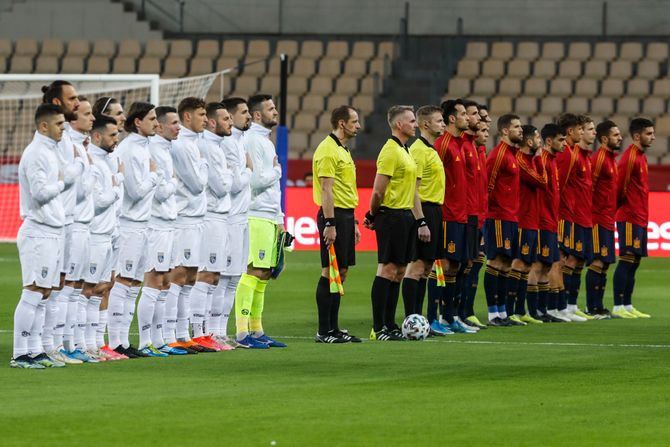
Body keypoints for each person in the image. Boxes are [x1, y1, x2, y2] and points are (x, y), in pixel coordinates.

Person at [364, 105, 427, 341]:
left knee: (399, 272)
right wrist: (373, 214)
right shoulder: (390, 151)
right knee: (387, 269)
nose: (415, 124)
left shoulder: (406, 150)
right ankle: (378, 327)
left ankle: (390, 325)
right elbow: (378, 190)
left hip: (405, 216)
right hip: (391, 216)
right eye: (411, 121)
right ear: (399, 124)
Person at [12, 104, 68, 368]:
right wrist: (62, 181)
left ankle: (35, 351)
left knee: (45, 294)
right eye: (59, 124)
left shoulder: (50, 151)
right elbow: (40, 193)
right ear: (43, 126)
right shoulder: (36, 154)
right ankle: (20, 353)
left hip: (52, 231)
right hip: (39, 232)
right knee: (33, 293)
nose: (63, 128)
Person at [106, 102, 159, 358]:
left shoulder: (143, 147)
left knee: (135, 283)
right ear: (138, 122)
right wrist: (154, 177)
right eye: (151, 118)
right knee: (123, 282)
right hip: (129, 224)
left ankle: (125, 342)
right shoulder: (128, 149)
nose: (156, 123)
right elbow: (136, 191)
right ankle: (116, 342)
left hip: (143, 224)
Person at [234, 94, 287, 348]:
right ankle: (242, 332)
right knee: (253, 271)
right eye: (270, 108)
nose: (275, 112)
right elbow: (253, 181)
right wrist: (277, 171)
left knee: (264, 274)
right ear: (257, 115)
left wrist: (279, 219)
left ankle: (257, 330)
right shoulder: (253, 141)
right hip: (254, 215)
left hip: (267, 216)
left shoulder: (264, 141)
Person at [40, 81, 84, 365]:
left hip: (69, 222)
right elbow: (63, 180)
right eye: (72, 99)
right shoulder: (53, 143)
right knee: (45, 288)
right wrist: (79, 167)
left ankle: (52, 346)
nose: (77, 104)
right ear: (57, 103)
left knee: (59, 286)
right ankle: (39, 346)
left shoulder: (67, 137)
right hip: (54, 224)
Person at [166, 97, 215, 353]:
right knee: (178, 276)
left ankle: (184, 335)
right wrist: (205, 165)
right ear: (187, 117)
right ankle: (170, 335)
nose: (206, 119)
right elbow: (197, 185)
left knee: (191, 278)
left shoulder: (195, 144)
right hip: (184, 220)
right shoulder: (182, 146)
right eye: (201, 114)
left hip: (196, 220)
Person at [312, 105, 363, 343]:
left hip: (345, 215)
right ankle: (324, 331)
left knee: (341, 272)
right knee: (330, 271)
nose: (358, 126)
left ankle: (333, 328)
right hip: (333, 216)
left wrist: (351, 221)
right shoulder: (327, 150)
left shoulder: (342, 150)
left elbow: (344, 189)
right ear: (342, 123)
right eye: (354, 121)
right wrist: (330, 223)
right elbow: (326, 189)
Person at [143, 106, 188, 356]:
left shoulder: (166, 150)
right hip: (157, 223)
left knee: (164, 282)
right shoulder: (155, 151)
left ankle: (159, 340)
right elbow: (161, 191)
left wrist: (171, 181)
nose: (177, 127)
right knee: (154, 280)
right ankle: (145, 341)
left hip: (168, 223)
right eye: (173, 123)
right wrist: (173, 181)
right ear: (159, 126)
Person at [190, 102, 234, 351]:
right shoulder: (207, 145)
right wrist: (230, 174)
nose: (230, 123)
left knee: (214, 276)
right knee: (206, 274)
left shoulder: (217, 146)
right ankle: (198, 332)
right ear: (213, 122)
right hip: (209, 217)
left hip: (220, 217)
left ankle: (206, 332)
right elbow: (221, 186)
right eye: (226, 118)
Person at [430, 99, 475, 334]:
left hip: (462, 214)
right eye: (463, 114)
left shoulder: (459, 144)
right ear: (452, 119)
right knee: (444, 264)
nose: (467, 118)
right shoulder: (443, 145)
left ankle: (450, 316)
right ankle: (434, 317)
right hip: (447, 214)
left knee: (457, 265)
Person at [85, 114, 127, 360]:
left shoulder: (108, 160)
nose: (117, 139)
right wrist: (117, 182)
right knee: (90, 290)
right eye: (112, 135)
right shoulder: (94, 162)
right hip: (95, 233)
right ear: (97, 136)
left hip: (110, 231)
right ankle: (85, 344)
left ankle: (98, 344)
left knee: (104, 287)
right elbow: (99, 201)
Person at [63, 96, 99, 362]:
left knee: (77, 289)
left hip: (85, 226)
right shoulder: (69, 148)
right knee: (66, 287)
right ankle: (60, 344)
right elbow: (79, 190)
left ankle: (73, 344)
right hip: (72, 225)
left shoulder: (84, 147)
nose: (92, 118)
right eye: (87, 114)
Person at [401, 105, 445, 327]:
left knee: (426, 269)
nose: (443, 124)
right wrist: (421, 221)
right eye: (439, 121)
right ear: (425, 124)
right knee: (417, 267)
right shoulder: (418, 150)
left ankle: (419, 320)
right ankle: (411, 319)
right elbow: (413, 189)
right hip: (423, 211)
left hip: (434, 211)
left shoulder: (431, 149)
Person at [218, 97, 253, 347]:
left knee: (233, 279)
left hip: (241, 218)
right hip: (229, 219)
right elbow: (235, 184)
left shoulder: (239, 142)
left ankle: (220, 332)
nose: (247, 116)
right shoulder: (228, 144)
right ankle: (214, 331)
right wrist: (249, 170)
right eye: (242, 113)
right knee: (222, 278)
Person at [611, 118, 655, 319]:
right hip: (629, 216)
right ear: (637, 136)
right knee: (627, 259)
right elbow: (620, 188)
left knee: (635, 260)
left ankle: (627, 304)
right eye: (648, 133)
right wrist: (620, 211)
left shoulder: (641, 157)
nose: (652, 137)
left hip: (640, 217)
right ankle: (618, 305)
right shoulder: (629, 158)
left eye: (653, 133)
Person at [483, 113, 523, 326]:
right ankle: (493, 314)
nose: (521, 130)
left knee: (507, 264)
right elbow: (487, 185)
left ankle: (503, 312)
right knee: (496, 262)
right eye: (516, 127)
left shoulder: (513, 155)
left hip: (511, 217)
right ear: (505, 131)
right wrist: (488, 213)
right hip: (498, 216)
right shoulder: (499, 154)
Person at [508, 125, 546, 325]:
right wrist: (539, 158)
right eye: (538, 138)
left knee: (527, 265)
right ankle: (509, 309)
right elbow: (542, 181)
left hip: (533, 220)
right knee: (519, 264)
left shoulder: (528, 161)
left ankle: (521, 310)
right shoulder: (522, 162)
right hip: (522, 220)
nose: (540, 142)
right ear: (530, 142)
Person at [532, 124, 568, 323]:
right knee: (538, 265)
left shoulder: (552, 161)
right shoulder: (542, 160)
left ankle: (543, 309)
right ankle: (533, 309)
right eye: (561, 140)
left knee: (546, 266)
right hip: (542, 221)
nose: (564, 144)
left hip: (552, 221)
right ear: (548, 141)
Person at [586, 120, 622, 318]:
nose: (620, 138)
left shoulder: (611, 159)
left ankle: (599, 307)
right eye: (616, 135)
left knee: (605, 263)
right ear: (605, 138)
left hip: (608, 219)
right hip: (598, 219)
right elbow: (590, 188)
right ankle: (592, 307)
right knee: (598, 262)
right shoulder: (599, 158)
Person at [554, 113, 587, 322]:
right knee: (558, 260)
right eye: (580, 129)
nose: (582, 133)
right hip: (561, 213)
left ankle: (562, 306)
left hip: (569, 213)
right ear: (570, 131)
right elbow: (559, 185)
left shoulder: (571, 151)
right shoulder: (566, 153)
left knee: (564, 259)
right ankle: (555, 306)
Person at [454, 99, 484, 329]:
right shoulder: (457, 145)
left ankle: (462, 313)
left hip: (473, 214)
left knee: (469, 264)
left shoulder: (473, 147)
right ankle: (449, 315)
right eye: (472, 114)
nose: (480, 120)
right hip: (458, 214)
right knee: (455, 265)